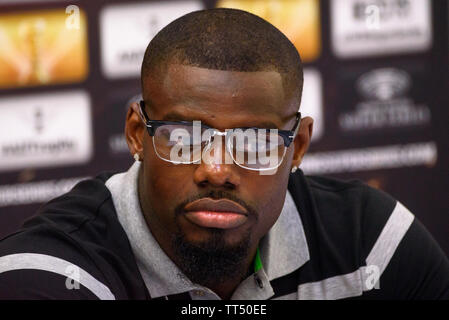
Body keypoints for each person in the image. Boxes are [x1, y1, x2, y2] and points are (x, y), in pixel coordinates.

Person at [0, 8, 448, 300]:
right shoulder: (48, 278)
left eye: (254, 140)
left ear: (299, 147)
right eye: (183, 137)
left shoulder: (372, 247)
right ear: (137, 134)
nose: (217, 169)